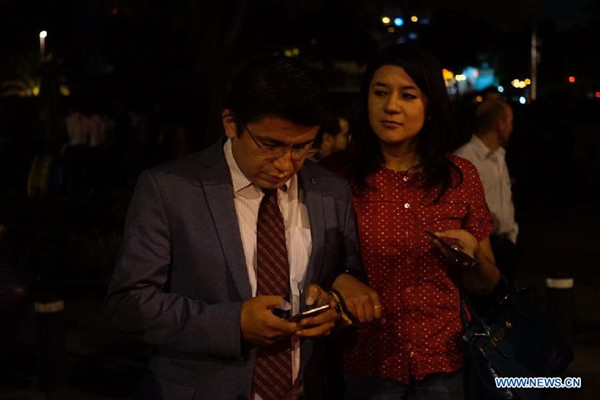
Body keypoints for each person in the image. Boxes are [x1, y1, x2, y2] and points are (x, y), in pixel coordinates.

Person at [104, 55, 380, 400]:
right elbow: (128, 304)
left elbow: (347, 272)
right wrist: (233, 323)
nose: (285, 164)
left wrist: (336, 306)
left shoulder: (331, 190)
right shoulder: (169, 189)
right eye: (270, 145)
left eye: (301, 147)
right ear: (231, 123)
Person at [322, 43, 500, 399]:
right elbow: (307, 265)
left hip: (444, 363)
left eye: (408, 95)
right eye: (380, 92)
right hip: (363, 365)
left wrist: (470, 256)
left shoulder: (459, 176)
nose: (391, 107)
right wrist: (339, 278)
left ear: (430, 106)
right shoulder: (335, 177)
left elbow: (488, 282)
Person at [454, 99, 518, 282]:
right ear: (500, 124)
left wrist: (511, 234)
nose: (512, 127)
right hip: (483, 249)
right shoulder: (464, 159)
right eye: (510, 121)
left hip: (505, 245)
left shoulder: (498, 155)